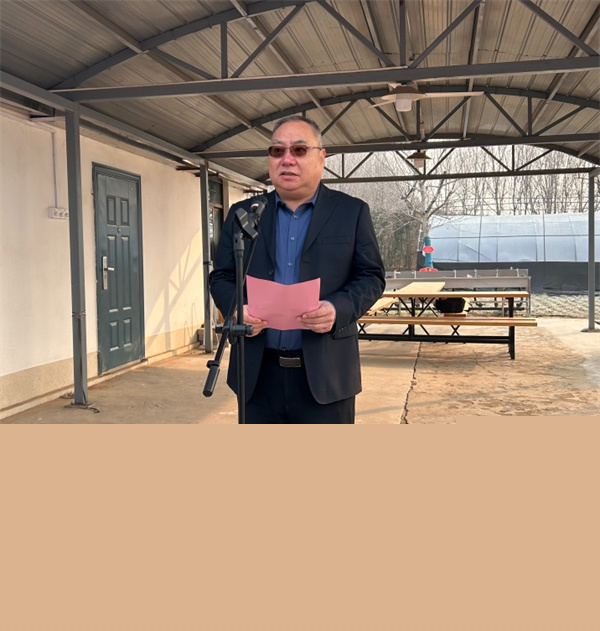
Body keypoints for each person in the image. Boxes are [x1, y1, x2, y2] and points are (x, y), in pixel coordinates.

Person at [209, 115, 385, 423]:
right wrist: (237, 309)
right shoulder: (244, 214)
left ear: (321, 157)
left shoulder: (351, 212)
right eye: (278, 151)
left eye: (299, 150)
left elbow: (371, 276)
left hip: (327, 375)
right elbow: (222, 276)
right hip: (256, 375)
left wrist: (337, 309)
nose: (287, 159)